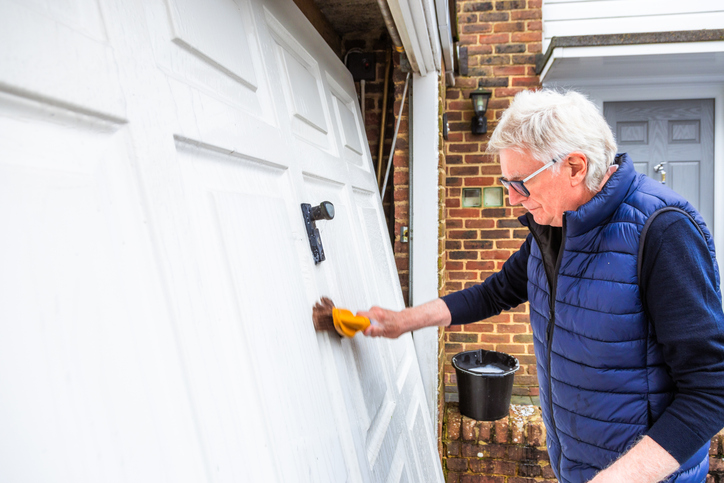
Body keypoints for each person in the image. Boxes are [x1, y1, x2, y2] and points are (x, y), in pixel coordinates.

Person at [358, 90, 724, 483]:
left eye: (521, 182)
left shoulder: (663, 230)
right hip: (576, 466)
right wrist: (403, 320)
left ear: (574, 167)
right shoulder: (553, 228)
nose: (514, 198)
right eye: (507, 182)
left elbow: (710, 390)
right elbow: (495, 292)